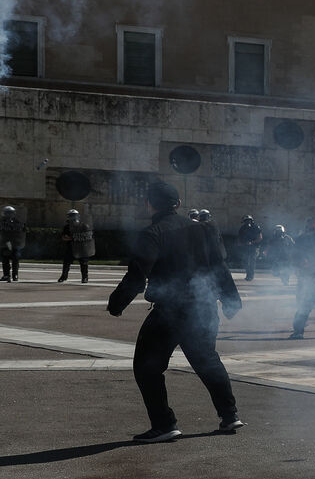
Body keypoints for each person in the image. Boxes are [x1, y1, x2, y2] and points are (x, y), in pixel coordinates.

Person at [106, 181, 244, 443]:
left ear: (149, 204)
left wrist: (116, 303)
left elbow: (137, 275)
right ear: (178, 204)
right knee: (207, 360)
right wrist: (231, 301)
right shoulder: (204, 229)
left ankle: (164, 424)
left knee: (147, 367)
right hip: (204, 307)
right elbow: (219, 266)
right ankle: (229, 415)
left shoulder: (152, 233)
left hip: (171, 311)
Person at [58, 209, 95, 283]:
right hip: (71, 247)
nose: (73, 217)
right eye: (71, 216)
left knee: (84, 263)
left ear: (78, 216)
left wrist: (80, 237)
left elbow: (89, 236)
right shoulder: (67, 227)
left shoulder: (84, 226)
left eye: (74, 215)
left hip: (82, 247)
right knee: (66, 262)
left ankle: (85, 277)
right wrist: (71, 238)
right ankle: (63, 277)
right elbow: (63, 237)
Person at [0, 206, 27, 282]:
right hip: (16, 244)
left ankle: (6, 275)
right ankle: (15, 275)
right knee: (15, 260)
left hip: (5, 243)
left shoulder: (1, 222)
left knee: (5, 260)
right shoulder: (19, 222)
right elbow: (24, 231)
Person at [237, 215, 262, 281]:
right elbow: (239, 237)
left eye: (249, 221)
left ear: (252, 221)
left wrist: (252, 242)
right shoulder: (242, 228)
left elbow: (260, 238)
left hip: (254, 248)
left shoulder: (256, 227)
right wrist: (240, 243)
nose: (248, 222)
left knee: (252, 262)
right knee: (245, 261)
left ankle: (251, 275)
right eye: (246, 221)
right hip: (245, 247)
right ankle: (248, 274)